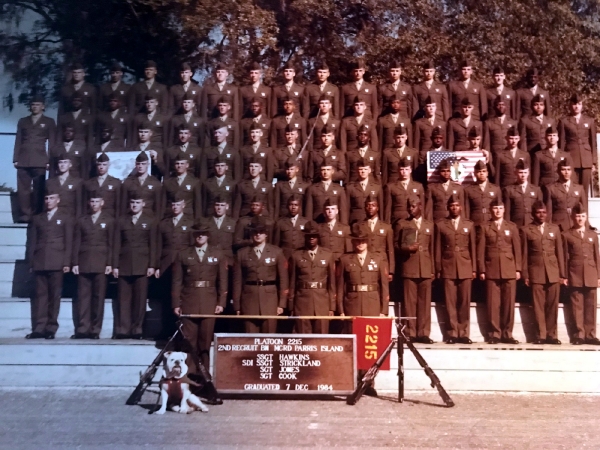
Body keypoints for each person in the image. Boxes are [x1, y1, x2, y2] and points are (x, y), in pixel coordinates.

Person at [172, 224, 227, 368]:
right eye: (197, 233)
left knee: (205, 341)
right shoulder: (183, 254)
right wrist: (176, 304)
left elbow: (222, 280)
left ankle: (204, 377)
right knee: (189, 341)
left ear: (208, 235)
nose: (200, 236)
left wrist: (221, 302)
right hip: (189, 300)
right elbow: (177, 281)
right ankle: (189, 374)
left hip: (209, 301)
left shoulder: (217, 254)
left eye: (203, 233)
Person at [25, 188, 73, 339]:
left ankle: (51, 327)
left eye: (52, 198)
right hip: (40, 261)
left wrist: (66, 262)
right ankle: (39, 327)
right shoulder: (38, 218)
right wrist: (31, 262)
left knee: (54, 296)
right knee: (40, 296)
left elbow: (69, 241)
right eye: (46, 199)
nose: (49, 201)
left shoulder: (65, 217)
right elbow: (32, 242)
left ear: (58, 200)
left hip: (57, 261)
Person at [112, 191, 158, 339]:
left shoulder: (150, 221)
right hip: (124, 264)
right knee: (123, 299)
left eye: (137, 203)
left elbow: (153, 245)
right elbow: (116, 244)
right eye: (132, 203)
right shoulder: (122, 221)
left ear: (143, 204)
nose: (134, 205)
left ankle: (137, 329)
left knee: (139, 300)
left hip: (142, 264)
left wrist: (152, 265)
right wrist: (115, 265)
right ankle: (123, 330)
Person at [476, 197, 521, 344]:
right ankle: (494, 334)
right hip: (491, 268)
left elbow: (517, 249)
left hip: (509, 268)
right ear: (490, 210)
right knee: (492, 304)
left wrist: (518, 268)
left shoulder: (511, 227)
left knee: (508, 304)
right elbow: (480, 250)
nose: (497, 211)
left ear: (504, 210)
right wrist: (482, 269)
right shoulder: (484, 227)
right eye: (495, 208)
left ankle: (507, 333)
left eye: (500, 208)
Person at [233, 217, 289, 333]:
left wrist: (282, 303)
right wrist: (237, 305)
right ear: (250, 233)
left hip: (270, 300)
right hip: (249, 300)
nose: (258, 234)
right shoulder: (241, 253)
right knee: (250, 339)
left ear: (266, 234)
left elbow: (283, 279)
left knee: (268, 339)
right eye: (255, 232)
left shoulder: (276, 252)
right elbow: (237, 281)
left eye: (261, 232)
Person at [520, 200, 565, 345]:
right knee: (538, 305)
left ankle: (552, 335)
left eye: (544, 212)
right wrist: (526, 274)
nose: (541, 215)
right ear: (533, 214)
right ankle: (541, 335)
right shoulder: (527, 230)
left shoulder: (554, 229)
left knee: (552, 305)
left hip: (552, 271)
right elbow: (524, 254)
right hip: (536, 271)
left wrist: (562, 274)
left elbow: (560, 253)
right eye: (538, 212)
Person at [71, 191, 114, 339]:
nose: (94, 204)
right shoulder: (82, 220)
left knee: (98, 297)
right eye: (92, 202)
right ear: (89, 203)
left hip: (101, 263)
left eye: (97, 202)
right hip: (84, 262)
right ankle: (82, 328)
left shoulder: (109, 220)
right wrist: (75, 262)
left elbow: (111, 244)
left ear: (102, 203)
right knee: (83, 297)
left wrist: (110, 263)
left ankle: (95, 329)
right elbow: (76, 242)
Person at [435, 195, 476, 344]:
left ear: (461, 207)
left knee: (464, 302)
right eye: (451, 206)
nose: (454, 208)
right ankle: (452, 333)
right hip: (448, 265)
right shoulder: (441, 225)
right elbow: (437, 248)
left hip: (465, 265)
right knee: (450, 302)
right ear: (448, 207)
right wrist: (438, 267)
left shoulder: (469, 224)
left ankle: (464, 333)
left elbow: (473, 248)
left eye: (457, 205)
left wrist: (474, 269)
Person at [394, 196, 434, 343]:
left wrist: (433, 269)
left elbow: (433, 249)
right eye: (409, 206)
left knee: (424, 303)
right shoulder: (402, 224)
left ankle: (423, 333)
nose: (411, 209)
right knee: (409, 302)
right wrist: (407, 248)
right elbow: (395, 246)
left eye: (414, 206)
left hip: (425, 267)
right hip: (409, 266)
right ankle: (409, 332)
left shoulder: (429, 225)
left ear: (420, 206)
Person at [14, 94, 57, 222]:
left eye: (38, 105)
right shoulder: (23, 121)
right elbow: (18, 140)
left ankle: (38, 213)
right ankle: (25, 214)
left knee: (39, 188)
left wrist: (50, 160)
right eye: (33, 105)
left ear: (43, 107)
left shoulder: (49, 122)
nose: (35, 107)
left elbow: (52, 142)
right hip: (23, 159)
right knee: (23, 189)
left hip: (40, 159)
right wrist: (15, 158)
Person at [562, 204, 600, 345]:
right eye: (577, 216)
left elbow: (597, 256)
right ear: (572, 217)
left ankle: (590, 335)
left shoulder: (592, 235)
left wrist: (599, 276)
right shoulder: (566, 234)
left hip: (591, 273)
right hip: (575, 273)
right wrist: (564, 275)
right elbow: (564, 257)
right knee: (577, 305)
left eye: (582, 216)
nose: (580, 219)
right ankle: (579, 334)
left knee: (591, 305)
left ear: (586, 217)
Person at [288, 221, 336, 333]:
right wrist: (291, 305)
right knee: (303, 336)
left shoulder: (327, 254)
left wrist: (332, 306)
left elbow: (332, 283)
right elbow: (292, 282)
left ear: (318, 237)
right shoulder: (296, 255)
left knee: (322, 336)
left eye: (314, 236)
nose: (311, 239)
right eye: (309, 236)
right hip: (302, 301)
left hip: (322, 301)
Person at [558, 94, 597, 195]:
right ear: (570, 105)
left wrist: (593, 162)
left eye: (579, 104)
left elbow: (593, 142)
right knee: (572, 190)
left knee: (584, 191)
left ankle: (585, 211)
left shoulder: (589, 121)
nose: (576, 106)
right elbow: (561, 143)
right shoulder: (564, 121)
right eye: (574, 104)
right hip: (571, 158)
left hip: (586, 160)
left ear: (582, 105)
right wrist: (561, 159)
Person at [356, 194, 395, 280]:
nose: (370, 208)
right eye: (368, 205)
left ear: (378, 208)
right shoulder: (359, 226)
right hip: (366, 263)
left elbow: (390, 249)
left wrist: (391, 270)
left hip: (382, 263)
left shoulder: (386, 227)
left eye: (373, 205)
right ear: (365, 208)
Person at [544, 159, 588, 231]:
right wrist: (549, 228)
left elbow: (584, 210)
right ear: (558, 171)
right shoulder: (550, 188)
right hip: (558, 225)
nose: (566, 172)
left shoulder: (579, 188)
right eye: (563, 169)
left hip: (575, 224)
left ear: (572, 171)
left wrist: (586, 227)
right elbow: (549, 212)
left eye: (568, 169)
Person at [305, 158, 348, 224]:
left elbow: (343, 211)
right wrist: (309, 225)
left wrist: (343, 226)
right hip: (317, 222)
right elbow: (308, 211)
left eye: (328, 170)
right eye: (323, 170)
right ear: (320, 171)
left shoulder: (339, 189)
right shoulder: (312, 189)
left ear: (332, 171)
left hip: (334, 224)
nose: (325, 172)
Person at [198, 195, 237, 268]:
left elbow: (235, 244)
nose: (219, 208)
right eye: (217, 205)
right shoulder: (205, 222)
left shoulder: (233, 223)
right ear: (213, 206)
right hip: (209, 258)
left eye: (222, 205)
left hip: (227, 259)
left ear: (227, 207)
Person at [383, 157, 425, 224]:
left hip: (414, 222)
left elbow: (421, 207)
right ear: (398, 170)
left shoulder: (418, 186)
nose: (404, 172)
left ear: (410, 170)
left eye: (406, 169)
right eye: (402, 169)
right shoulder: (390, 187)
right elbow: (387, 209)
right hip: (397, 221)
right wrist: (387, 225)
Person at [121, 151, 163, 217]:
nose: (140, 166)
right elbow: (123, 204)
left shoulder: (155, 183)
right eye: (138, 164)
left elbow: (158, 206)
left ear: (148, 164)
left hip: (149, 217)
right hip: (132, 217)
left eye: (143, 164)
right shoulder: (128, 182)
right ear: (135, 164)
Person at [502, 159, 543, 227]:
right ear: (515, 173)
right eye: (520, 172)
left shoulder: (536, 190)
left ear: (528, 173)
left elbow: (540, 210)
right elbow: (507, 212)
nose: (523, 175)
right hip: (516, 224)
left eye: (525, 172)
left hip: (532, 224)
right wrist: (508, 226)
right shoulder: (509, 190)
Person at [162, 152, 202, 220]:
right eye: (177, 163)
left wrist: (197, 220)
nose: (179, 166)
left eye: (182, 163)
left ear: (187, 165)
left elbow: (197, 204)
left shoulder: (195, 182)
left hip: (188, 218)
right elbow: (163, 203)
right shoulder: (167, 182)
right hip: (171, 217)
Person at [44, 153, 83, 218]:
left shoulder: (77, 182)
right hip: (54, 216)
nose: (62, 165)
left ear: (70, 165)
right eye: (60, 162)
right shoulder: (49, 182)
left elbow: (79, 204)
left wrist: (78, 219)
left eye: (65, 162)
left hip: (70, 216)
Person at [464, 160, 502, 226]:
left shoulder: (495, 189)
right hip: (475, 223)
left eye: (484, 171)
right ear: (475, 173)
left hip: (491, 223)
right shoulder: (468, 190)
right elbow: (466, 210)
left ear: (487, 173)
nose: (481, 173)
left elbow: (500, 208)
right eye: (479, 171)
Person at [83, 153, 121, 218]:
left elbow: (118, 204)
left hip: (110, 216)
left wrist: (117, 218)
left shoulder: (116, 182)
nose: (101, 167)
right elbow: (85, 203)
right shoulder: (88, 183)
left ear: (109, 165)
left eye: (104, 164)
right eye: (99, 164)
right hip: (93, 215)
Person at [346, 158, 383, 224]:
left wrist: (381, 222)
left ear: (369, 170)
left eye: (365, 169)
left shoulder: (377, 187)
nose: (363, 171)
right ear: (357, 171)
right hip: (356, 221)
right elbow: (346, 209)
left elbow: (381, 207)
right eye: (360, 169)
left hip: (372, 221)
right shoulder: (350, 187)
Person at [273, 194, 310, 260]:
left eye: (296, 205)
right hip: (285, 257)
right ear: (287, 206)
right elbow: (276, 244)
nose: (293, 207)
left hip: (301, 257)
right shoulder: (280, 222)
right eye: (291, 204)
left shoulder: (305, 222)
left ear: (300, 207)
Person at [317, 198, 352, 263]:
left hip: (340, 261)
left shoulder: (345, 228)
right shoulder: (318, 228)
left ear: (337, 211)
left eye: (333, 209)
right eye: (327, 209)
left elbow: (349, 249)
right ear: (324, 211)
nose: (330, 211)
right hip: (324, 262)